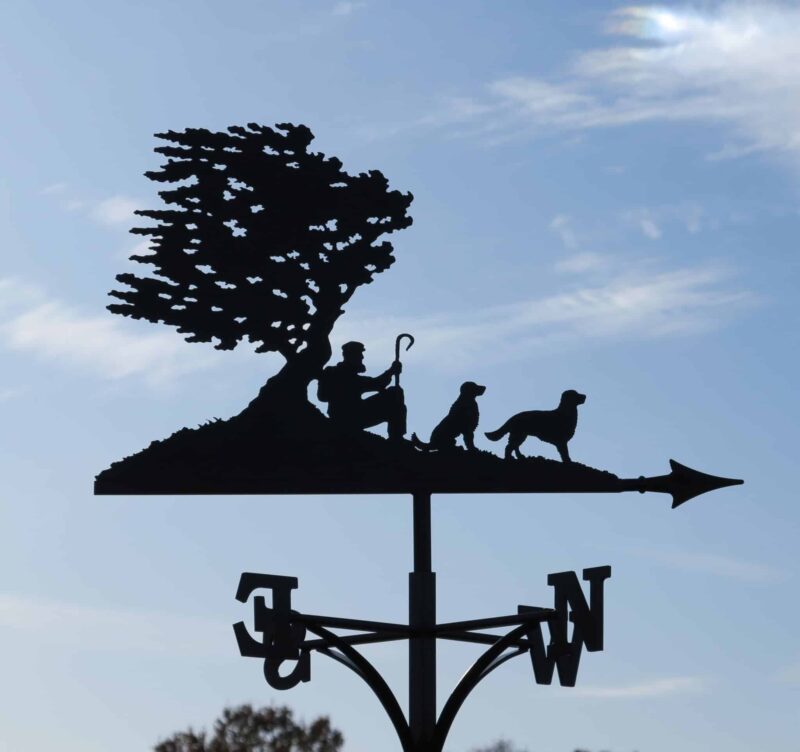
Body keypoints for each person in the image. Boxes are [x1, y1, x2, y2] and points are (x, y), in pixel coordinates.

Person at [317, 341, 407, 441]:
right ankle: (396, 438)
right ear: (351, 356)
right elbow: (322, 396)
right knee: (395, 393)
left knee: (394, 392)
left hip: (354, 414)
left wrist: (391, 371)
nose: (362, 357)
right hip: (351, 418)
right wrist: (391, 371)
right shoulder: (336, 373)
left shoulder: (350, 377)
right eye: (359, 354)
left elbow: (376, 383)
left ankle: (397, 437)